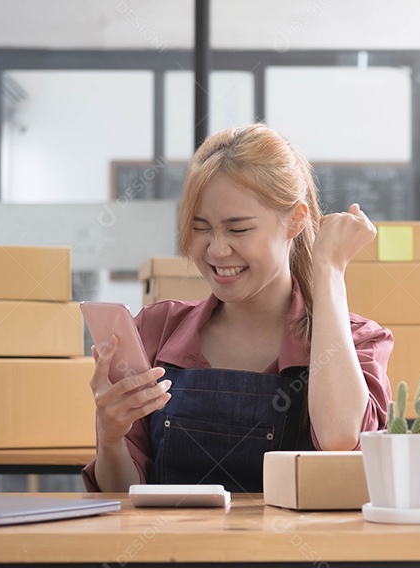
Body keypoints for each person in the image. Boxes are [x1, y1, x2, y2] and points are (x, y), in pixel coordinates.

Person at [82, 124, 394, 493]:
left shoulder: (358, 342)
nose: (216, 250)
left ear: (295, 220)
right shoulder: (153, 330)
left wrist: (328, 269)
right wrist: (111, 437)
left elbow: (340, 439)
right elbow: (123, 500)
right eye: (201, 229)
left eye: (238, 230)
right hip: (170, 550)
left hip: (291, 552)